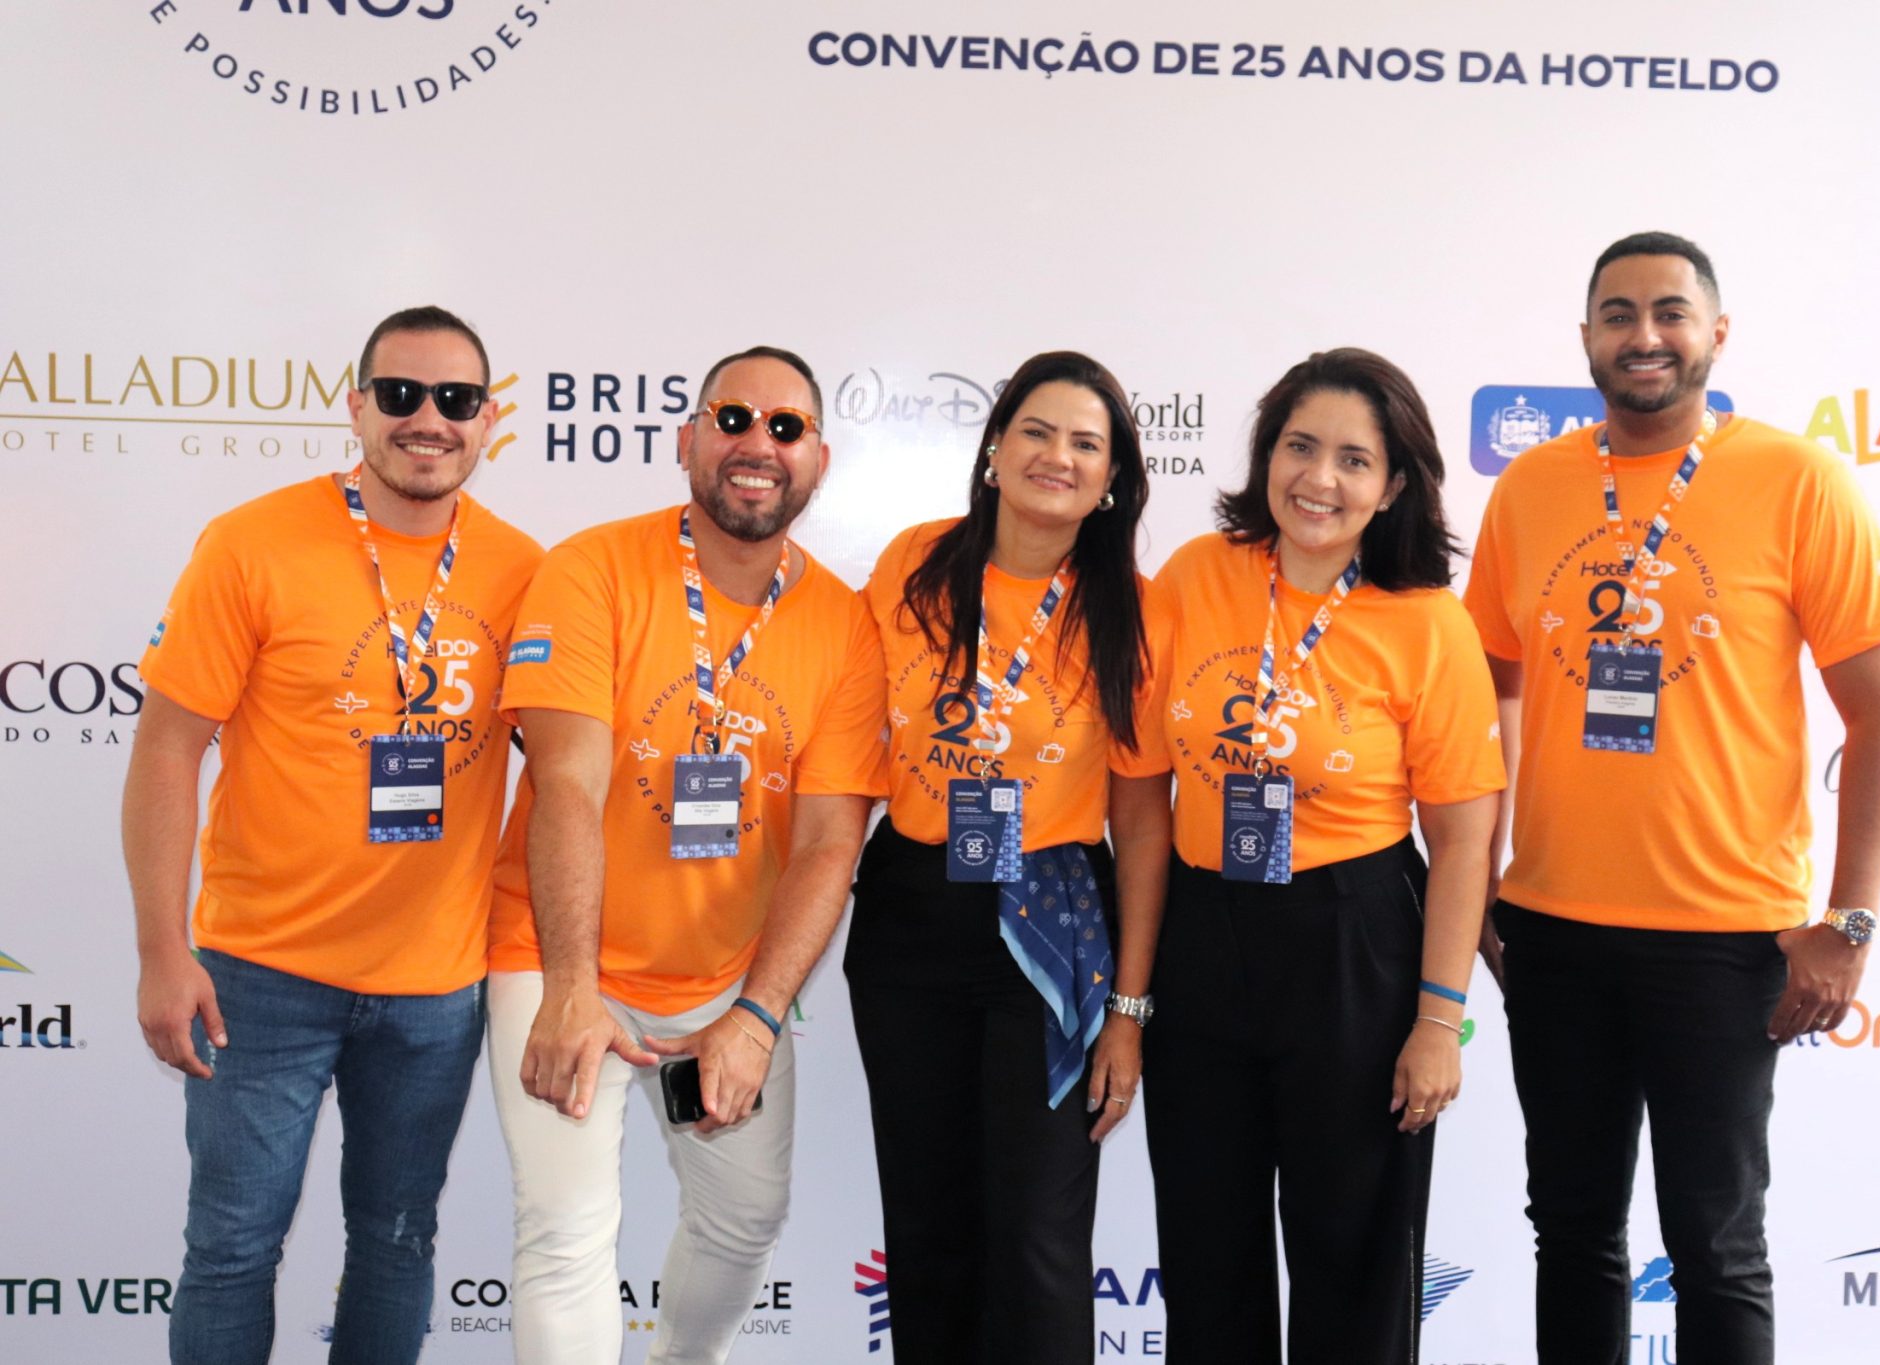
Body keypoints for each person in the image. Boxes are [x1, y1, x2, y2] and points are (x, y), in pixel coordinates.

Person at [1464, 231, 1880, 1364]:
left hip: (1724, 938)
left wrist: (1850, 920)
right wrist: (1481, 887)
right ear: (1585, 338)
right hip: (1553, 932)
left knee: (1715, 1246)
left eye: (1669, 311)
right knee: (1572, 1231)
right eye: (1617, 314)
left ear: (1716, 332)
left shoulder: (1797, 479)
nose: (1644, 336)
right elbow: (1490, 698)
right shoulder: (1530, 487)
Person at [125, 306, 541, 1365]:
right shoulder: (251, 542)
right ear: (356, 407)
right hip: (259, 977)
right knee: (231, 1251)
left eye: (455, 399)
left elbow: (569, 769)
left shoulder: (524, 571)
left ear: (488, 420)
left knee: (397, 1245)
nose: (428, 419)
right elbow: (168, 749)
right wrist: (162, 951)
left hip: (435, 988)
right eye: (400, 394)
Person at [486, 345, 887, 1365]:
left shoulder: (843, 625)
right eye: (733, 418)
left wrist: (755, 1015)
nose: (759, 444)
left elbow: (829, 842)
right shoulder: (591, 569)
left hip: (724, 980)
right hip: (559, 955)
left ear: (819, 459)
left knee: (745, 1220)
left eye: (786, 428)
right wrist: (568, 990)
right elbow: (567, 785)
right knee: (566, 1232)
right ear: (687, 440)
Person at [1132, 348, 1504, 1364]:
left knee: (1355, 1260)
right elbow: (1142, 790)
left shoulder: (1428, 623)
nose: (1319, 479)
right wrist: (1133, 991)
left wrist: (1438, 1020)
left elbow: (1462, 840)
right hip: (1204, 936)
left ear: (1394, 484)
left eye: (1353, 459)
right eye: (1299, 447)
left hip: (1355, 943)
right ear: (1266, 455)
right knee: (1206, 1252)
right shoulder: (1196, 576)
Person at [845, 351, 1171, 1365]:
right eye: (1035, 430)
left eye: (1085, 442)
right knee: (927, 1224)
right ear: (993, 449)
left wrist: (1128, 1010)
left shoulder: (1131, 608)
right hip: (909, 910)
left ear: (1111, 477)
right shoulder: (913, 561)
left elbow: (1143, 825)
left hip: (1051, 924)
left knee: (1037, 1236)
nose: (1056, 456)